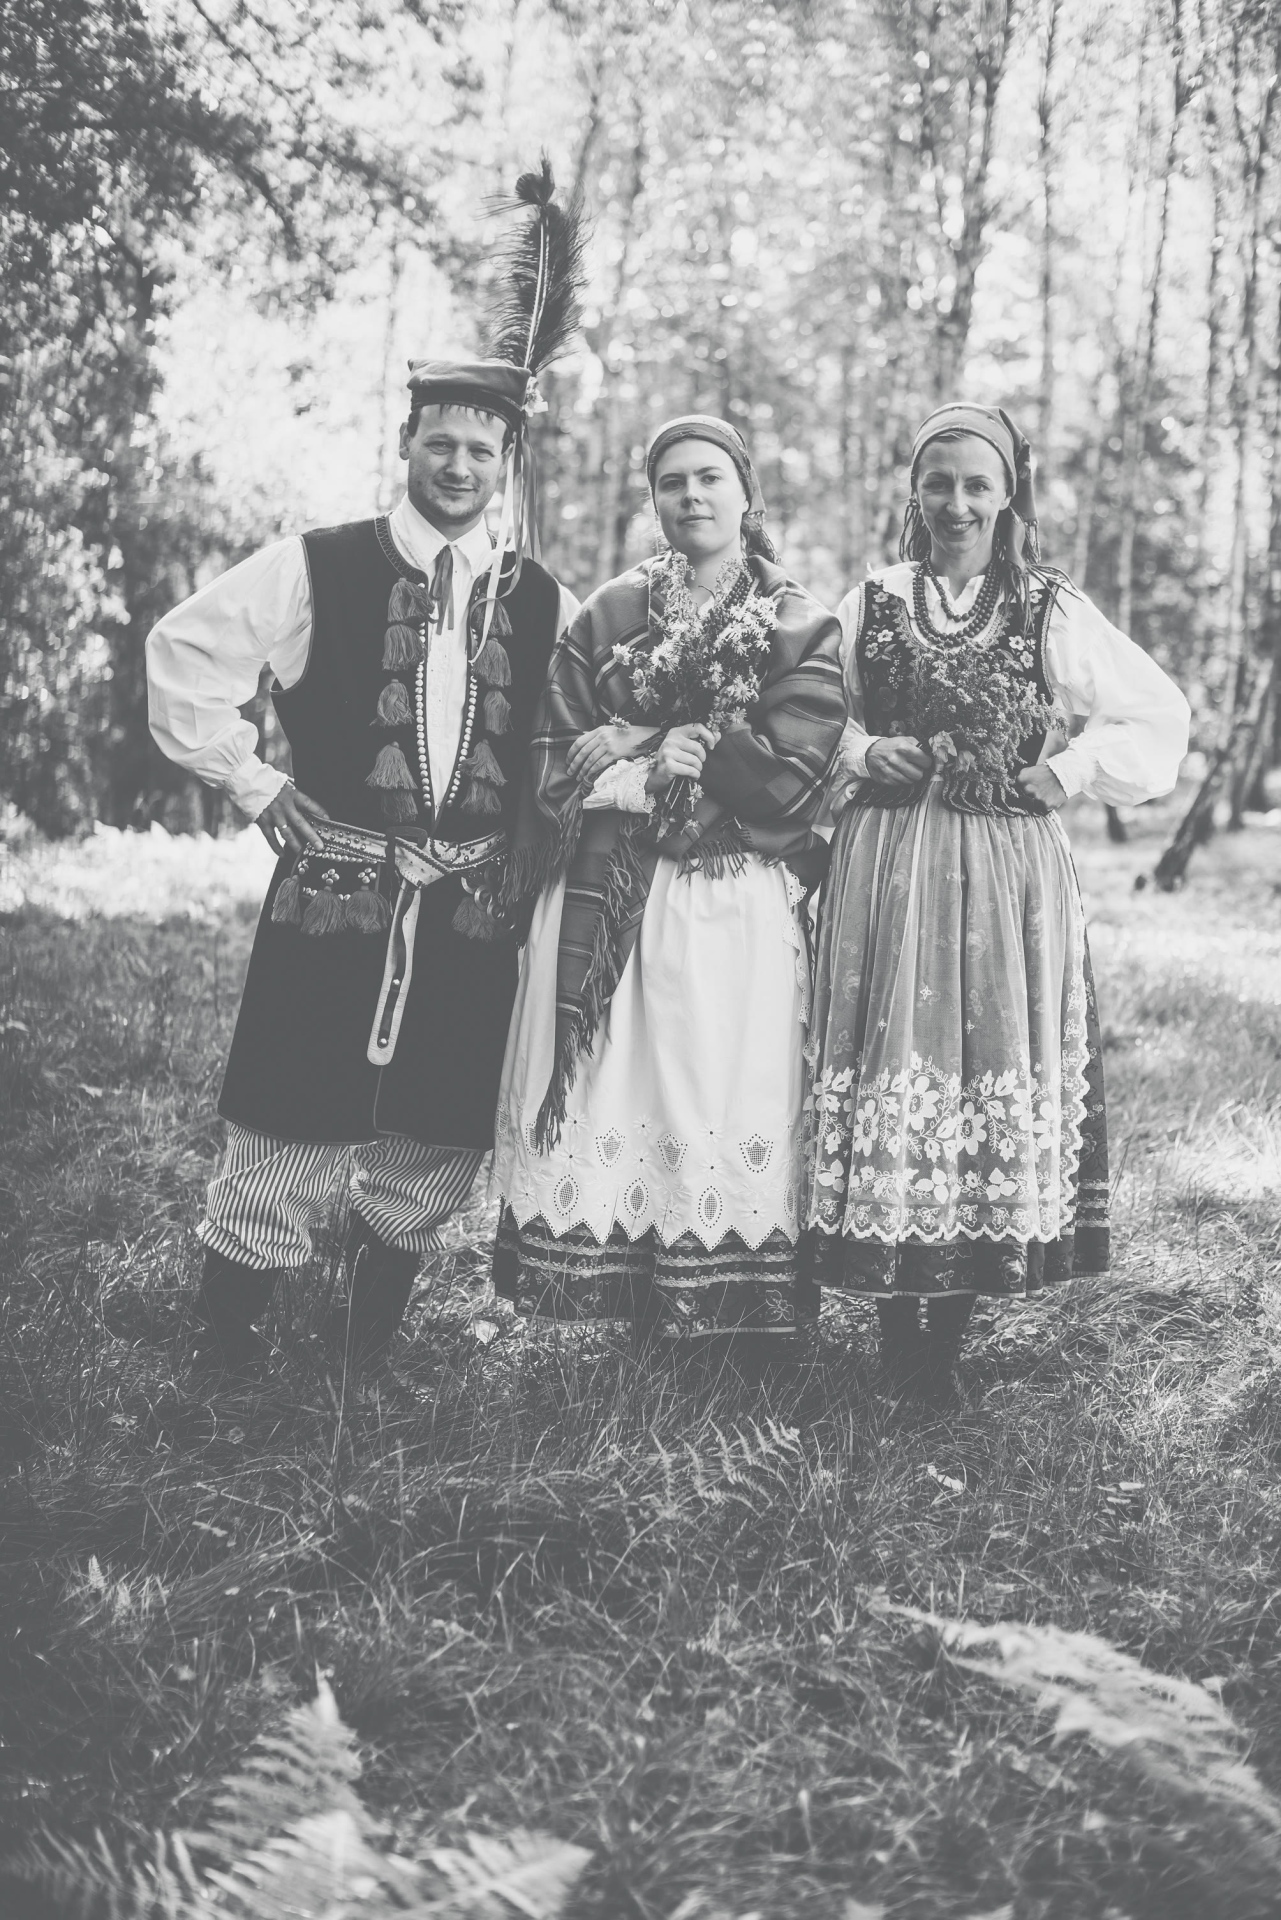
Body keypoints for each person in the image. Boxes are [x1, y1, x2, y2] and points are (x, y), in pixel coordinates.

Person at [146, 165, 585, 1371]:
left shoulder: (543, 600)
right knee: (288, 1106)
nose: (458, 466)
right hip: (334, 885)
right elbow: (183, 653)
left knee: (437, 1124)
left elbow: (582, 731)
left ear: (506, 461)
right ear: (406, 444)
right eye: (440, 444)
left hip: (473, 905)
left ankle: (360, 1353)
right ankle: (227, 1351)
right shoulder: (319, 566)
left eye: (480, 450)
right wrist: (253, 782)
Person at [801, 402, 1190, 1399]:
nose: (957, 502)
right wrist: (862, 750)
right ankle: (897, 1334)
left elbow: (1155, 712)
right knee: (889, 1060)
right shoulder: (871, 600)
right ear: (913, 490)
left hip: (1006, 866)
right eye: (938, 482)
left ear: (1009, 492)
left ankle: (943, 1344)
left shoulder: (1047, 605)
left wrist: (1067, 770)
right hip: (887, 863)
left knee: (986, 1064)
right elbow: (804, 715)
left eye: (978, 483)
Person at [490, 415, 846, 1341]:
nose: (691, 495)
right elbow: (556, 756)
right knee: (624, 1084)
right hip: (612, 888)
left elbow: (793, 769)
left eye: (709, 477)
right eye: (672, 481)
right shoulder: (608, 613)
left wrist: (651, 734)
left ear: (746, 493)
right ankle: (631, 1294)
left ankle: (733, 1309)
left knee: (717, 1083)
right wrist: (645, 769)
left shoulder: (799, 619)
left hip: (731, 898)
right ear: (653, 500)